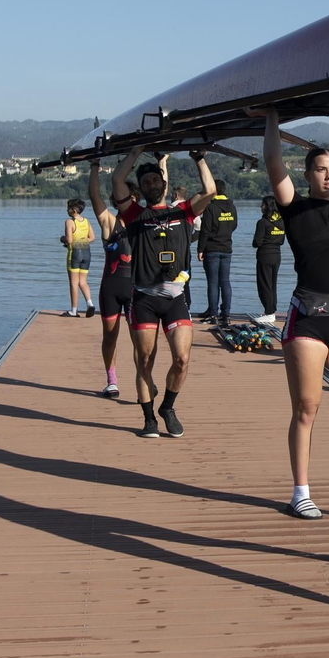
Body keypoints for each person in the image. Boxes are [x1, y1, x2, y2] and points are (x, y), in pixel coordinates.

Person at [256, 108, 329, 523]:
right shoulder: (295, 208)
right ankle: (300, 493)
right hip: (307, 315)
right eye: (321, 169)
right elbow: (273, 161)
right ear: (307, 174)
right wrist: (273, 115)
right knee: (307, 406)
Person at [111, 147, 217, 439]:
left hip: (175, 298)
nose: (151, 184)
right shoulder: (134, 214)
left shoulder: (183, 211)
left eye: (155, 180)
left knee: (182, 359)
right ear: (141, 189)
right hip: (144, 299)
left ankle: (167, 407)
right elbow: (117, 179)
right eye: (145, 182)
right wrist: (136, 151)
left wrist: (198, 158)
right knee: (144, 361)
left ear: (164, 184)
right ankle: (149, 420)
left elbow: (210, 190)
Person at [87, 157, 163, 396]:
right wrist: (94, 166)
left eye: (132, 198)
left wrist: (163, 162)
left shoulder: (144, 222)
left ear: (136, 199)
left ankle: (145, 378)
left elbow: (162, 195)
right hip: (111, 289)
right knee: (110, 337)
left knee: (140, 340)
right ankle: (111, 380)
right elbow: (94, 196)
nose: (128, 201)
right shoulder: (109, 222)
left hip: (136, 289)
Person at [198, 181, 238, 325]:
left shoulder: (211, 208)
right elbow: (234, 225)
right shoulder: (232, 207)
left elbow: (205, 230)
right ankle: (226, 314)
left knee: (213, 282)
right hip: (227, 248)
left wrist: (200, 249)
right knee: (225, 281)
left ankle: (213, 315)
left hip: (212, 249)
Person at [251, 194, 285, 324]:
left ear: (268, 207)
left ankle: (269, 313)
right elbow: (282, 241)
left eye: (263, 205)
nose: (261, 207)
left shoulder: (262, 223)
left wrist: (255, 242)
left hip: (265, 255)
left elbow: (257, 242)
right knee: (272, 284)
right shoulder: (281, 222)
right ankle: (271, 311)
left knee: (264, 284)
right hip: (276, 255)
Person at [61, 199, 96, 317]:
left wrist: (63, 239)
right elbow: (92, 237)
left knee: (73, 283)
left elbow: (69, 240)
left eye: (68, 208)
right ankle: (90, 303)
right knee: (83, 281)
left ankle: (73, 311)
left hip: (75, 254)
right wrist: (82, 241)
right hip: (87, 253)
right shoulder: (86, 221)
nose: (67, 210)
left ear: (74, 210)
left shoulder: (69, 222)